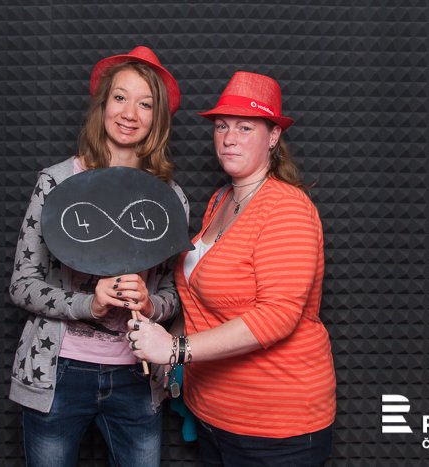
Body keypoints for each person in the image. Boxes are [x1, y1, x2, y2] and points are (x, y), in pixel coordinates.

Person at [127, 71, 336, 466]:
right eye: (222, 126)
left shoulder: (287, 208)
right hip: (215, 414)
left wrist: (175, 349)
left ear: (273, 136)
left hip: (276, 425)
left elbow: (277, 316)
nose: (228, 138)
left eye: (245, 127)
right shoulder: (221, 200)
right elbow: (199, 297)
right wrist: (163, 331)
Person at [8, 46, 187, 467]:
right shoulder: (56, 182)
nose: (130, 113)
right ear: (103, 104)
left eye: (145, 104)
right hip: (56, 372)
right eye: (120, 97)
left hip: (136, 378)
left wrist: (150, 304)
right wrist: (88, 303)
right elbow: (21, 284)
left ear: (158, 118)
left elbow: (175, 295)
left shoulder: (170, 199)